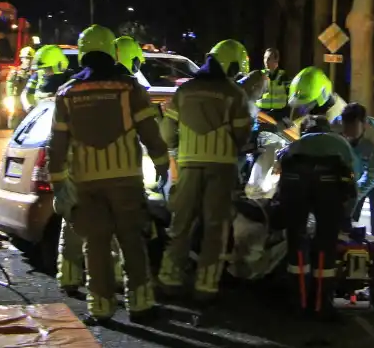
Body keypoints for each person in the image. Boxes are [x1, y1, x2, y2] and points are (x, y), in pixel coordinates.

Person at [47, 25, 169, 324]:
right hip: (126, 180)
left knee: (96, 245)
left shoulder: (67, 93)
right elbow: (150, 132)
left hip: (86, 182)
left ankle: (100, 307)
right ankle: (140, 305)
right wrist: (162, 164)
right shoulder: (129, 89)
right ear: (113, 52)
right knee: (131, 241)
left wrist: (59, 183)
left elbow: (57, 144)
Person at [158, 39, 254, 302]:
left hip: (188, 165)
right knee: (215, 228)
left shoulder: (185, 91)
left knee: (181, 224)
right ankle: (206, 286)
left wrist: (179, 150)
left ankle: (169, 279)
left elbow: (167, 133)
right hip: (221, 168)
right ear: (231, 64)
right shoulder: (234, 94)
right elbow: (243, 133)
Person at [278, 115, 359, 319]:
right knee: (326, 243)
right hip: (328, 187)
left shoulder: (298, 144)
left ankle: (299, 302)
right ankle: (322, 305)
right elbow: (352, 177)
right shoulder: (340, 142)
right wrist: (346, 216)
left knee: (297, 240)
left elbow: (282, 166)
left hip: (296, 184)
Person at [333, 102, 374, 311]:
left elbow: (372, 175)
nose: (349, 134)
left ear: (363, 123)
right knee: (346, 223)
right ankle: (348, 276)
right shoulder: (337, 126)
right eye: (346, 129)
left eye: (353, 130)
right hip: (357, 171)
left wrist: (354, 194)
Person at [23, 45, 71, 112]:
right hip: (40, 115)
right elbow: (25, 94)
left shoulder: (69, 76)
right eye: (43, 68)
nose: (44, 71)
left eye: (47, 68)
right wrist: (29, 107)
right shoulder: (38, 74)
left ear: (58, 65)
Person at [256, 48, 290, 122]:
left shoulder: (283, 75)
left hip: (278, 114)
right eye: (264, 58)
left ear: (276, 60)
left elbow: (289, 96)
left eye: (269, 59)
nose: (266, 61)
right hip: (261, 114)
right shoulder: (259, 75)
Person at [7, 46, 35, 128]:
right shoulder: (15, 71)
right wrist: (10, 97)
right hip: (18, 101)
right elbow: (9, 83)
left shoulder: (35, 72)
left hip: (30, 102)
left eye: (30, 58)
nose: (28, 60)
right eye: (26, 58)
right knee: (16, 124)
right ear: (21, 59)